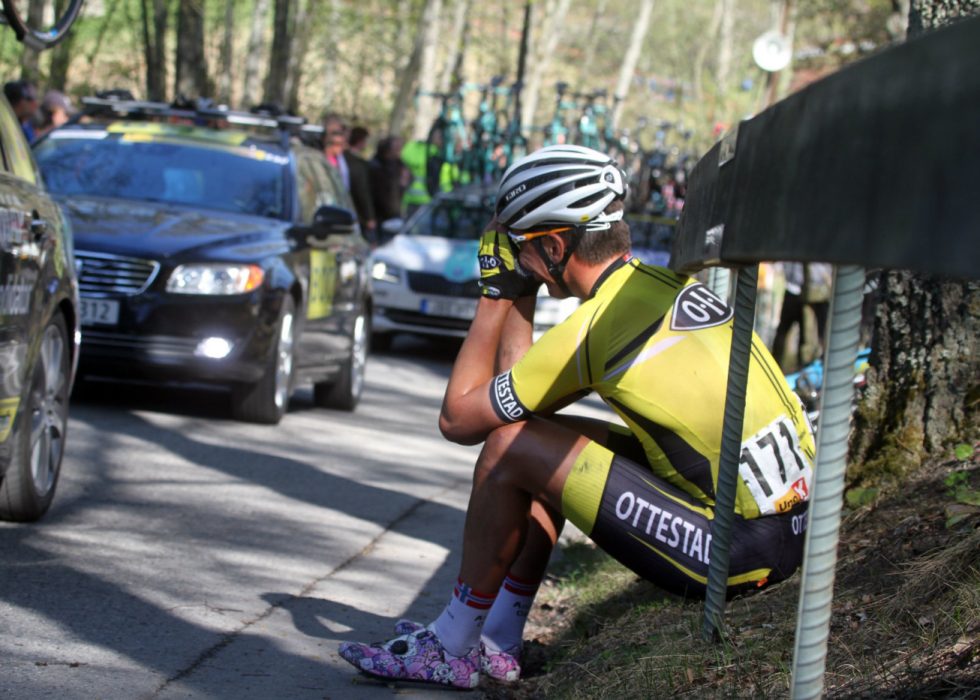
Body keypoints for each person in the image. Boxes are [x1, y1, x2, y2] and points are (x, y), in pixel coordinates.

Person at [338, 145, 816, 689]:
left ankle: (451, 645)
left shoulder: (596, 329)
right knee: (538, 441)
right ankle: (495, 640)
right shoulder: (652, 289)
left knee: (511, 449)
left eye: (521, 249)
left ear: (555, 244)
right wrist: (522, 284)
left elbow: (460, 419)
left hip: (739, 549)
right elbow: (521, 397)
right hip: (785, 526)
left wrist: (495, 294)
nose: (515, 260)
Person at [368, 135, 408, 239]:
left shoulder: (399, 165)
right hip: (380, 215)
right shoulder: (376, 166)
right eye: (396, 148)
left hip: (395, 214)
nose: (399, 151)